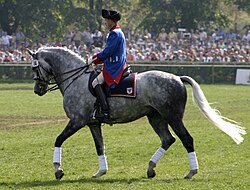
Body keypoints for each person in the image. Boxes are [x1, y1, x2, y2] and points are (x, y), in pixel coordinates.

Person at [88, 9, 127, 120]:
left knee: (95, 82)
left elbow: (108, 52)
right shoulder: (117, 31)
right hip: (114, 62)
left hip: (114, 66)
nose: (105, 22)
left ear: (112, 21)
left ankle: (105, 111)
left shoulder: (114, 33)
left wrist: (93, 59)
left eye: (106, 20)